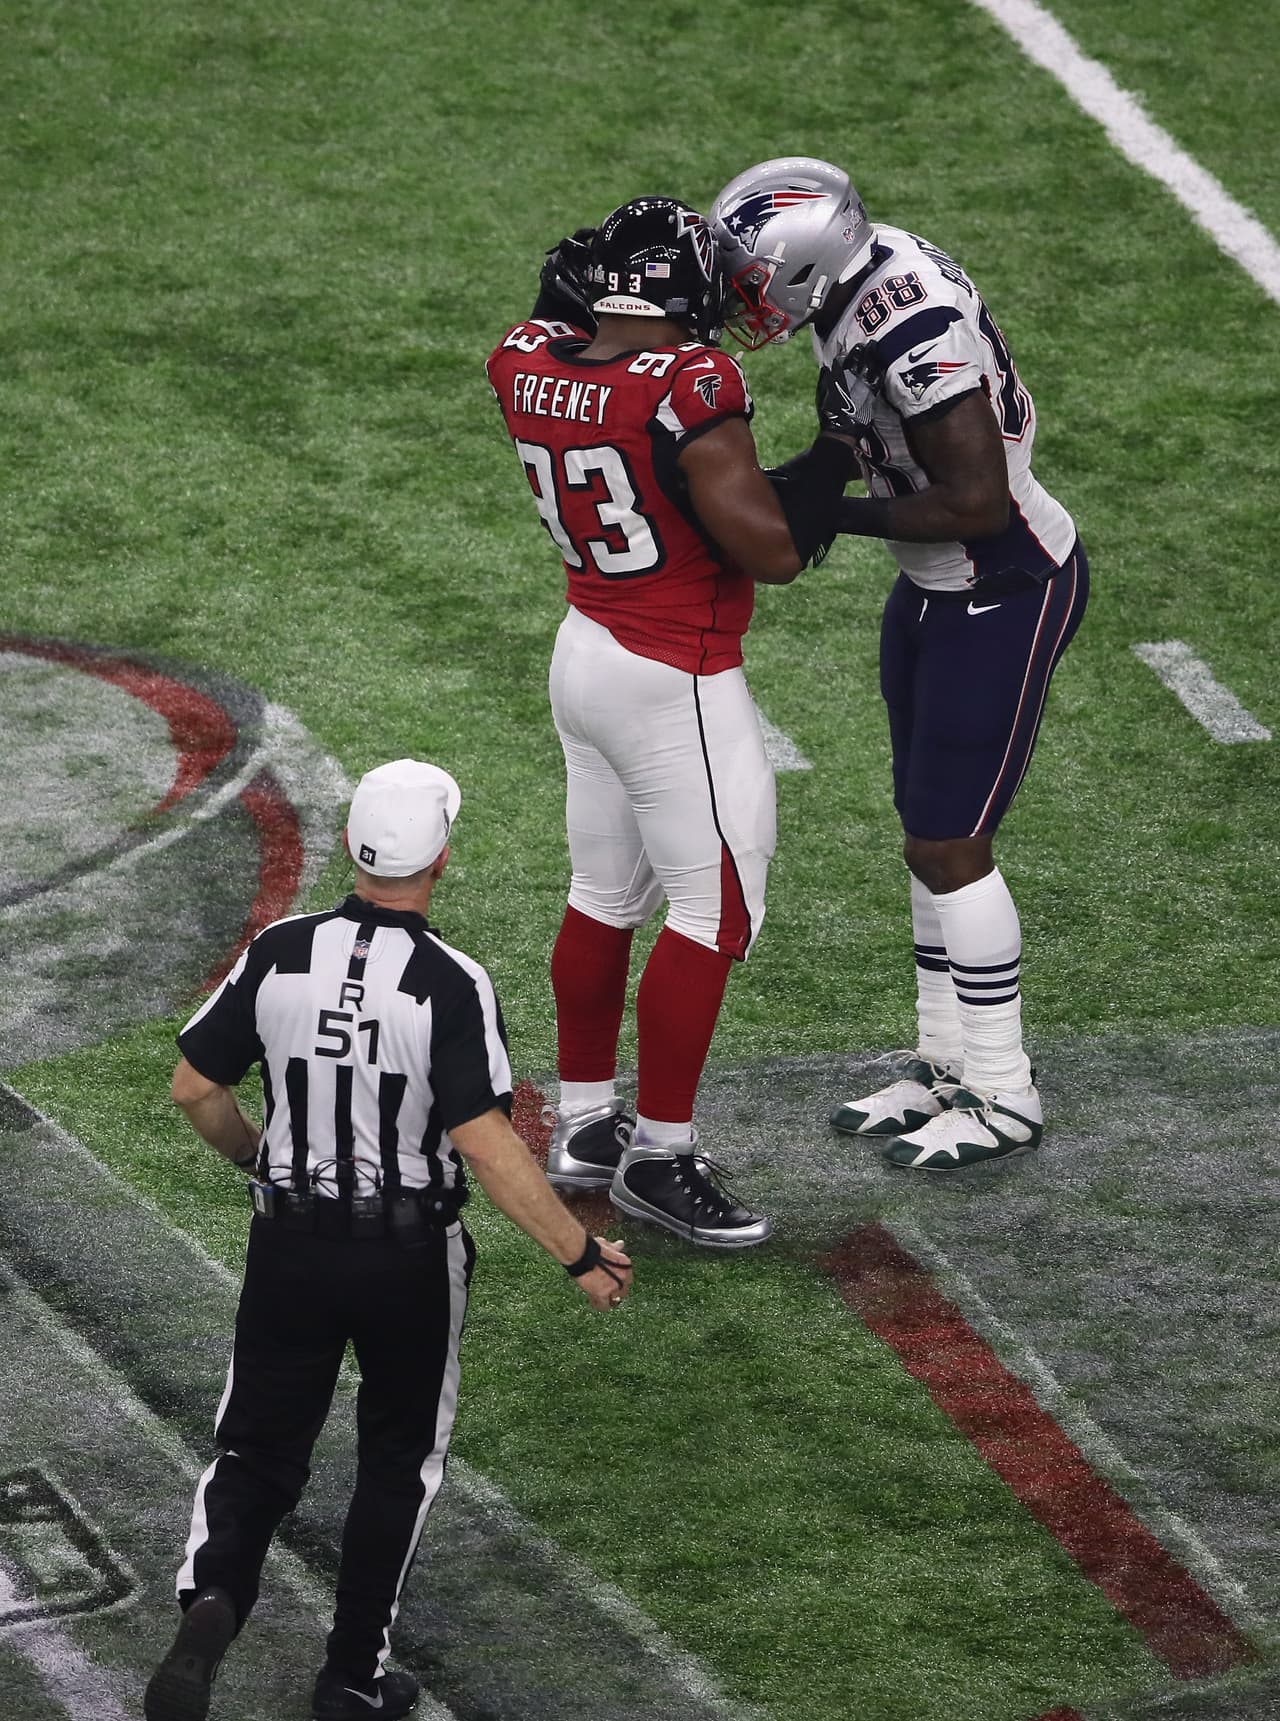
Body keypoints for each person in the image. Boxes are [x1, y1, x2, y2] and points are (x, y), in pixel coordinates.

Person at [143, 759, 632, 1721]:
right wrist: (579, 1252)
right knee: (397, 1459)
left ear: (351, 848)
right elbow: (487, 1145)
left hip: (288, 1244)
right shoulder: (452, 982)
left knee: (255, 1450)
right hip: (408, 1257)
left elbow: (195, 1088)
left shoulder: (280, 949)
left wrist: (258, 1158)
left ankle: (210, 1605)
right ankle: (351, 1677)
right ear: (438, 859)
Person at [710, 157, 1089, 1171]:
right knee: (924, 834)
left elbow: (974, 501)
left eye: (754, 275)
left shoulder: (907, 319)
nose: (742, 296)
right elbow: (851, 420)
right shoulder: (854, 284)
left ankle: (1003, 1091)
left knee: (949, 840)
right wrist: (795, 485)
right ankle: (943, 1056)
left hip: (998, 580)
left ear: (805, 261)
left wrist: (825, 515)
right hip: (937, 587)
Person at [485, 197, 850, 1245]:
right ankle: (659, 1155)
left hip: (584, 649)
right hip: (670, 672)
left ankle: (587, 1122)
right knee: (715, 912)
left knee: (602, 893)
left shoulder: (521, 360)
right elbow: (768, 550)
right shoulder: (693, 383)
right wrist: (832, 455)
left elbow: (557, 315)